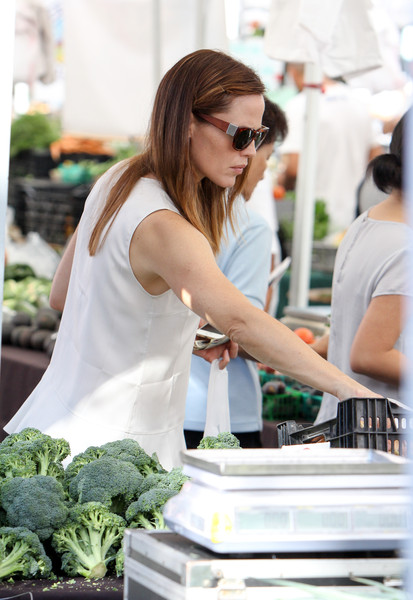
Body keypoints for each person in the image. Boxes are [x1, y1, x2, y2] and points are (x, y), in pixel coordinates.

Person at [5, 49, 378, 470]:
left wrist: (181, 335)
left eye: (258, 137)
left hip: (56, 428)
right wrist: (354, 391)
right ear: (187, 123)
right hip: (116, 450)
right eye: (241, 135)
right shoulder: (166, 226)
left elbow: (62, 294)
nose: (250, 152)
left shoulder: (117, 179)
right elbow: (243, 322)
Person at [184, 97, 288, 449]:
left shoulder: (136, 199)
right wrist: (286, 352)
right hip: (220, 411)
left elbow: (61, 295)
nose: (257, 164)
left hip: (165, 404)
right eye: (249, 140)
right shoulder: (248, 226)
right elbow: (242, 330)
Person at [312, 110, 411, 424]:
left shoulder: (367, 221)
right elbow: (369, 355)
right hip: (381, 434)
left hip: (346, 425)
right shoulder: (404, 247)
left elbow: (348, 330)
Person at [278, 62, 383, 234]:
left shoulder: (300, 104)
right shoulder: (359, 103)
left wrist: (281, 183)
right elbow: (376, 156)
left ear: (292, 72)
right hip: (356, 213)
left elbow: (294, 168)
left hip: (315, 217)